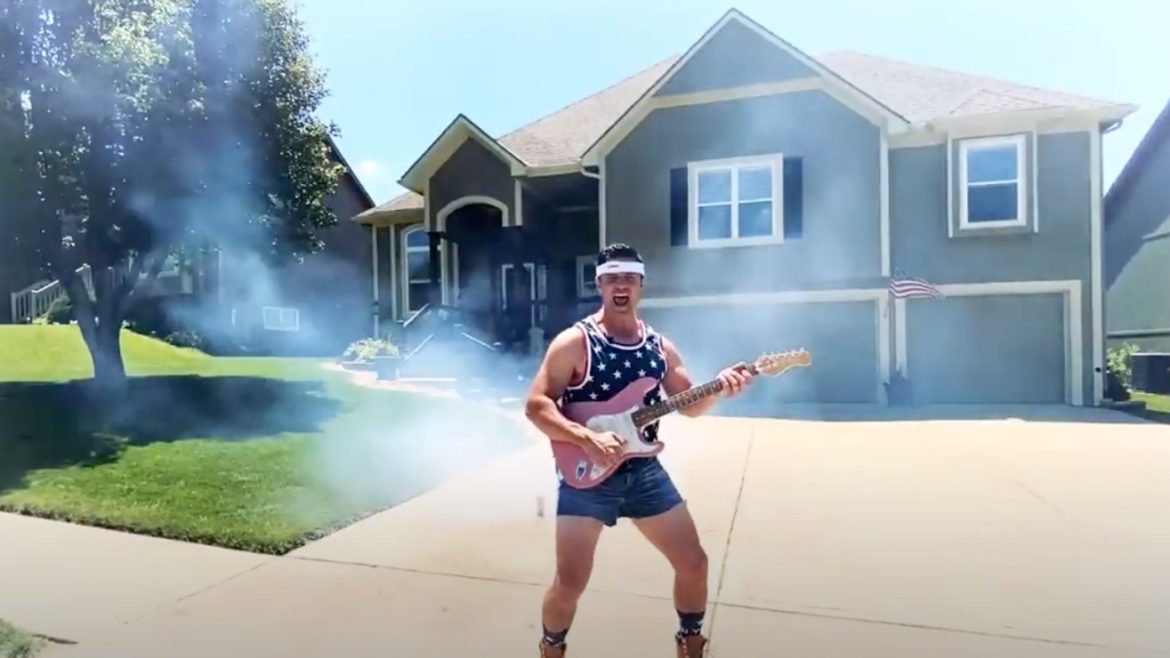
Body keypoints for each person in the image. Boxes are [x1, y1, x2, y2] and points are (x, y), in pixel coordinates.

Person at [524, 243, 754, 658]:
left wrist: (721, 388)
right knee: (570, 583)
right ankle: (551, 647)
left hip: (644, 472)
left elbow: (690, 405)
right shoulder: (575, 342)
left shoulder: (659, 348)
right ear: (599, 284)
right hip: (586, 478)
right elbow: (537, 405)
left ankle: (690, 641)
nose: (621, 286)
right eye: (612, 278)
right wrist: (585, 438)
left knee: (694, 563)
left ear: (641, 285)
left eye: (629, 278)